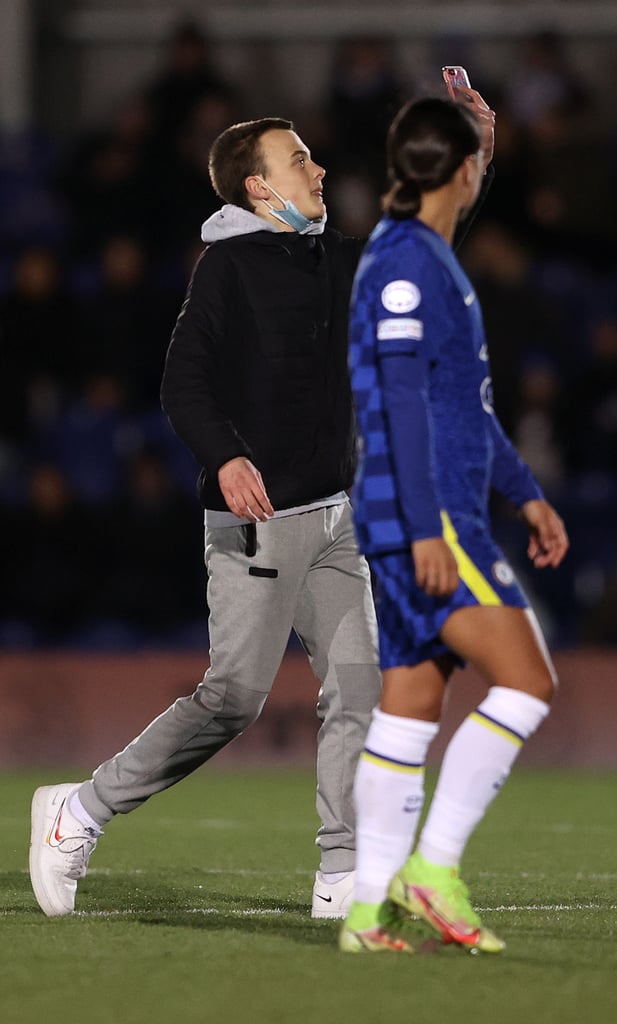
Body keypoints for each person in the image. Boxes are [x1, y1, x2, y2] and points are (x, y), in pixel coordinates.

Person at [29, 116, 382, 921]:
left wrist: (474, 160)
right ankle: (79, 811)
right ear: (258, 187)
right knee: (233, 698)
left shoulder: (334, 257)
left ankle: (344, 873)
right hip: (256, 519)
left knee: (359, 685)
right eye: (299, 160)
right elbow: (183, 384)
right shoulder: (226, 267)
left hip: (337, 514)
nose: (318, 169)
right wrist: (224, 456)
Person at [339, 96, 569, 953]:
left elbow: (459, 407)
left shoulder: (420, 251)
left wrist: (524, 491)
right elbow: (400, 402)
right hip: (427, 521)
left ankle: (367, 911)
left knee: (411, 704)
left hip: (415, 515)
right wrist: (432, 525)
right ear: (462, 170)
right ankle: (431, 868)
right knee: (526, 679)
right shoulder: (408, 264)